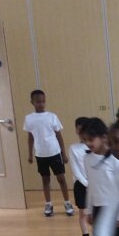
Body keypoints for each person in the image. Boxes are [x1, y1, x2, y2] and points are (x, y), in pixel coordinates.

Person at [23, 89, 73, 217]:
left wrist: (63, 153)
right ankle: (48, 204)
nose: (41, 104)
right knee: (45, 180)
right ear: (32, 102)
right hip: (40, 154)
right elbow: (30, 137)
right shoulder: (29, 118)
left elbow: (59, 136)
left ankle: (67, 202)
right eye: (38, 102)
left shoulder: (52, 116)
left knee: (61, 178)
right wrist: (30, 154)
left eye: (43, 101)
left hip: (54, 152)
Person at [68, 116, 91, 236]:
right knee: (83, 212)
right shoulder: (74, 148)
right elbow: (76, 170)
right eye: (79, 130)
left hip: (96, 184)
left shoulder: (95, 146)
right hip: (81, 184)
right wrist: (86, 184)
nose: (82, 133)